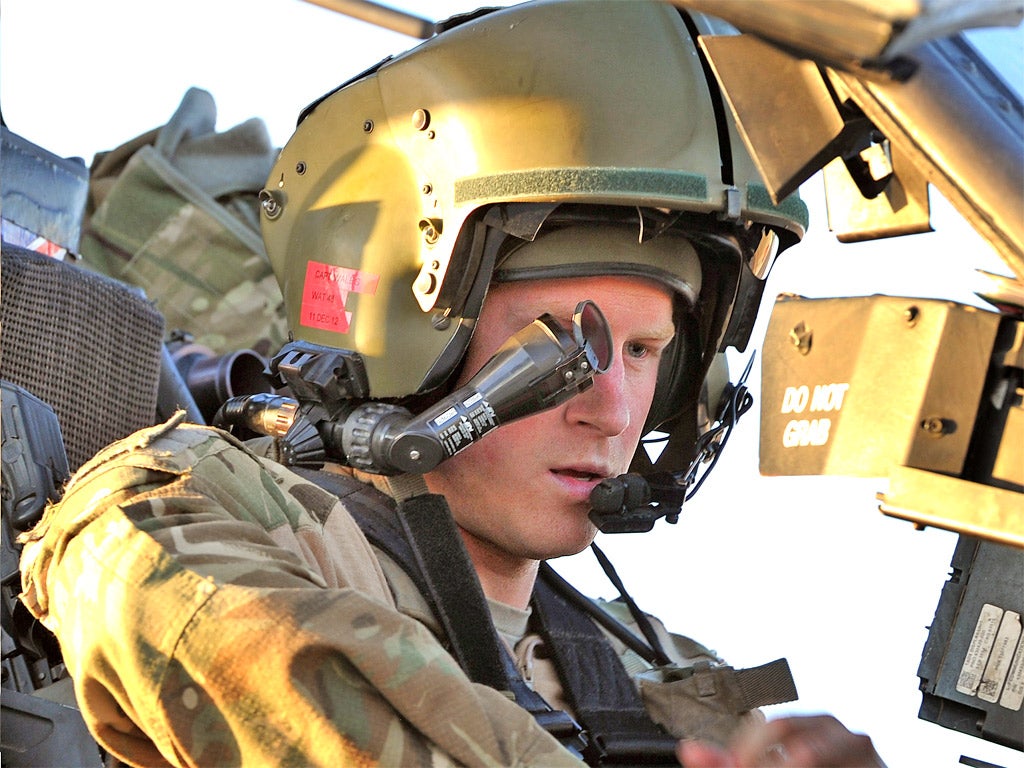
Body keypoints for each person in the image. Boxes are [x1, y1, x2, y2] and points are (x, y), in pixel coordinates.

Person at [19, 1, 887, 766]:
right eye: (564, 350)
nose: (612, 412)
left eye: (644, 352)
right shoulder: (170, 520)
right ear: (409, 336)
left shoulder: (662, 682)